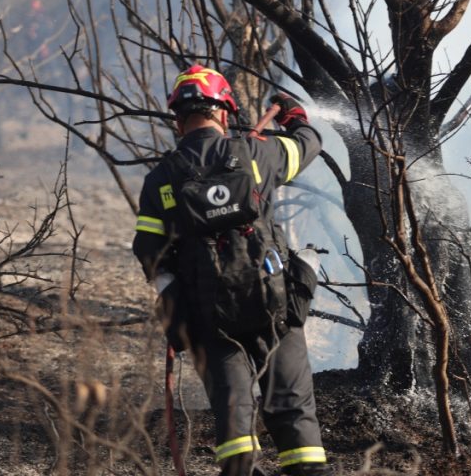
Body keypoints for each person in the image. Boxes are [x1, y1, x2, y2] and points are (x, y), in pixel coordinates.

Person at [133, 65, 328, 476]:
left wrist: (175, 292)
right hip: (275, 306)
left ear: (177, 119)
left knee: (233, 417)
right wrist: (295, 117)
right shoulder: (257, 155)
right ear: (224, 112)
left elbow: (149, 250)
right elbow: (308, 144)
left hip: (209, 320)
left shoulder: (161, 180)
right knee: (295, 416)